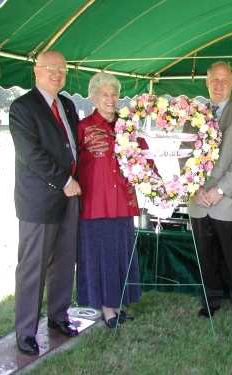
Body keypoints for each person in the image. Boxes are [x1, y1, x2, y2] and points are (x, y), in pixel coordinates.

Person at [9, 50, 81, 355]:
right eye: (51, 68)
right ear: (36, 71)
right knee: (33, 267)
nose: (57, 74)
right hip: (40, 200)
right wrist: (65, 182)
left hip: (71, 197)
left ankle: (58, 317)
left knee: (64, 262)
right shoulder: (23, 107)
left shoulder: (66, 104)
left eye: (62, 70)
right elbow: (31, 154)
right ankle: (25, 330)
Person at [189, 61, 232, 326]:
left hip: (228, 200)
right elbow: (184, 155)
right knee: (206, 256)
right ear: (206, 82)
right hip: (198, 200)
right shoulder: (192, 113)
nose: (218, 85)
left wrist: (219, 190)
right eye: (214, 80)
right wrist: (194, 189)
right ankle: (211, 299)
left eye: (224, 80)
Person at [76, 72, 141, 328]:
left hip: (122, 202)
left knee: (121, 255)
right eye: (105, 94)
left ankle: (117, 304)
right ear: (93, 97)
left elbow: (142, 160)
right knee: (101, 256)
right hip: (95, 204)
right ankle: (106, 309)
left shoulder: (127, 126)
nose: (111, 99)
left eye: (114, 94)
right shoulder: (83, 127)